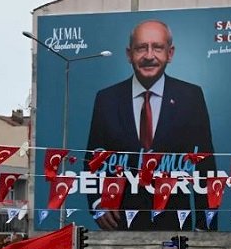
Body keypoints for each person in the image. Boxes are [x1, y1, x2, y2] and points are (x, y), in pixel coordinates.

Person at [86, 19, 216, 231]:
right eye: (141, 48)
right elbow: (92, 160)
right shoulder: (106, 99)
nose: (149, 56)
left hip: (175, 226)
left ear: (170, 53)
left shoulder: (190, 97)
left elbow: (205, 166)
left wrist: (205, 227)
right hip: (119, 227)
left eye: (157, 47)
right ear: (129, 54)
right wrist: (97, 204)